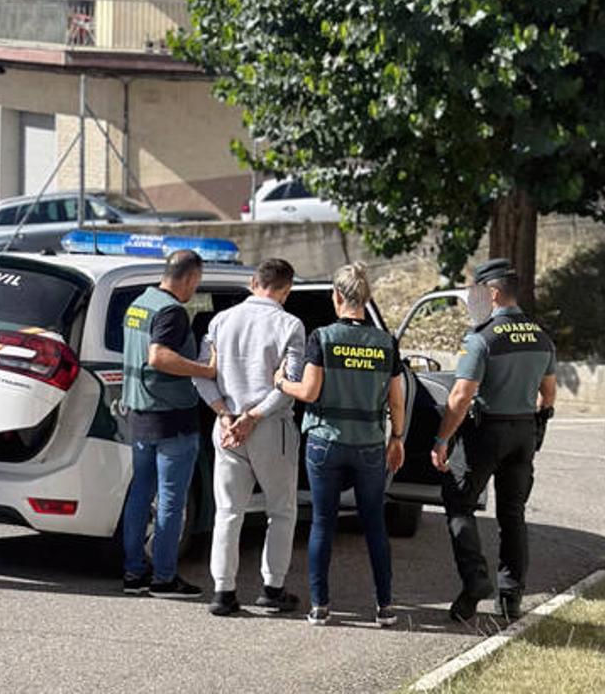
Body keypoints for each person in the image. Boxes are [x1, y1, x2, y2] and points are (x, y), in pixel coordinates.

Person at [278, 262, 405, 627]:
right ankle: (385, 608)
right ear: (366, 298)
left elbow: (309, 391)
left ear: (336, 297)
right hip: (368, 444)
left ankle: (320, 607)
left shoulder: (322, 337)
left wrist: (281, 383)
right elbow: (396, 400)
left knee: (322, 523)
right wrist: (396, 437)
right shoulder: (386, 343)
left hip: (325, 443)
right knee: (375, 525)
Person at [432, 258, 557, 624]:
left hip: (485, 433)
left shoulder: (482, 338)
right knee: (512, 515)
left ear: (493, 292)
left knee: (459, 504)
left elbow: (460, 396)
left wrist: (442, 439)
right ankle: (510, 598)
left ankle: (475, 581)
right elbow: (548, 395)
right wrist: (535, 427)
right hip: (523, 432)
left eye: (479, 293)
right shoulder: (540, 335)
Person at [193, 258, 305, 617]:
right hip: (270, 426)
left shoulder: (220, 321)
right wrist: (253, 416)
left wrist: (225, 413)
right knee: (282, 510)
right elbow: (292, 385)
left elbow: (202, 374)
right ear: (285, 290)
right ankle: (272, 589)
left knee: (227, 512)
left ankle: (223, 592)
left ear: (254, 281)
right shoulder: (290, 325)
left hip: (226, 425)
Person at [120, 249, 216, 598]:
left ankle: (133, 574)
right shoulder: (172, 312)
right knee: (172, 500)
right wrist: (205, 370)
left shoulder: (139, 303)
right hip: (171, 418)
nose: (195, 288)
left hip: (139, 414)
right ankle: (164, 577)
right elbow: (158, 356)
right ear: (190, 277)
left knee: (140, 495)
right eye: (197, 282)